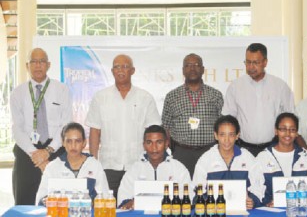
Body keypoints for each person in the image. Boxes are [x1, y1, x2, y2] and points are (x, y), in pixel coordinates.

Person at [85, 54, 161, 199]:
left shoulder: (145, 98)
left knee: (137, 207)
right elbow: (95, 131)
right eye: (117, 67)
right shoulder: (101, 97)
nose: (121, 70)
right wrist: (93, 162)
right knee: (109, 208)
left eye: (125, 66)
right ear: (112, 71)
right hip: (108, 165)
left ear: (132, 71)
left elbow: (153, 133)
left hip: (138, 164)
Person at [10, 48, 72, 205]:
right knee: (25, 203)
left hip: (56, 150)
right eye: (34, 61)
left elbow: (66, 125)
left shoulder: (62, 90)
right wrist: (36, 155)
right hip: (27, 152)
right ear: (27, 66)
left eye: (42, 61)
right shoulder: (18, 93)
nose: (38, 65)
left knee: (58, 201)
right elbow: (17, 128)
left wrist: (48, 151)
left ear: (48, 65)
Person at [222, 43, 295, 156]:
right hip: (243, 148)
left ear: (265, 62)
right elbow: (228, 118)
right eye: (248, 62)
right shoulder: (235, 86)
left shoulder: (280, 86)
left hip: (273, 147)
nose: (251, 67)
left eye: (255, 62)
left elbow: (290, 117)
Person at [162, 53, 223, 177]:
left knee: (208, 189)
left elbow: (222, 125)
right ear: (183, 70)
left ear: (203, 69)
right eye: (188, 65)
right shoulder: (172, 96)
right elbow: (166, 126)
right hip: (181, 152)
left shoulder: (215, 95)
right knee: (181, 189)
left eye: (196, 65)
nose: (192, 68)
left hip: (209, 151)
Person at [193, 115, 261, 209]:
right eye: (222, 135)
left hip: (243, 211)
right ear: (216, 135)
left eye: (231, 135)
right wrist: (207, 202)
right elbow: (197, 191)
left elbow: (259, 186)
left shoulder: (247, 157)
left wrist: (253, 200)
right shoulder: (205, 160)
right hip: (215, 211)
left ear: (237, 136)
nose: (226, 140)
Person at [117, 125, 191, 209]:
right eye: (149, 142)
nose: (154, 148)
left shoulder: (178, 169)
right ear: (144, 145)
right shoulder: (134, 170)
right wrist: (130, 202)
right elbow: (122, 200)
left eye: (159, 142)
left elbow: (189, 198)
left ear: (166, 144)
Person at [35, 122, 109, 205]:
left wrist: (92, 202)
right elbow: (40, 199)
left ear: (84, 143)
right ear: (63, 143)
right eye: (69, 141)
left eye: (77, 141)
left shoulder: (95, 165)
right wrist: (46, 200)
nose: (73, 146)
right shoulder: (52, 167)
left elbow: (105, 197)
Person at [253, 112, 307, 207]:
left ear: (296, 133)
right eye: (283, 129)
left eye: (292, 129)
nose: (288, 133)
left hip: (301, 210)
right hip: (272, 211)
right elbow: (256, 189)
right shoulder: (263, 157)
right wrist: (264, 201)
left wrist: (286, 201)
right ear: (276, 131)